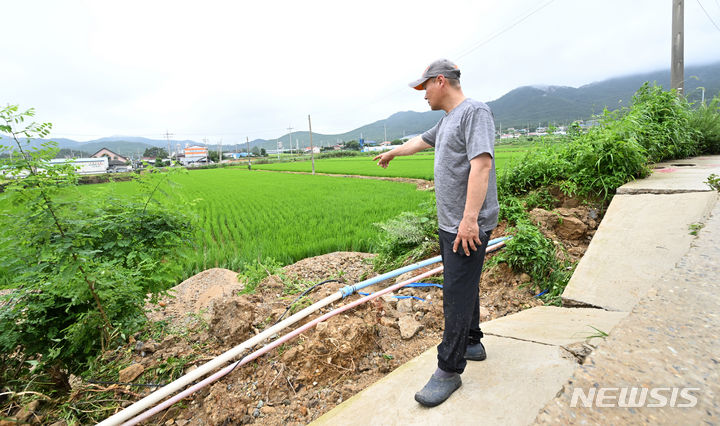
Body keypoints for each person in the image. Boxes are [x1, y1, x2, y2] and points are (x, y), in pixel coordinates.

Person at [374, 59, 498, 407]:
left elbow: (482, 163)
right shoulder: (447, 121)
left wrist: (470, 219)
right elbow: (419, 141)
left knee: (455, 292)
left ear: (440, 81)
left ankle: (449, 369)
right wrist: (392, 153)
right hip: (452, 224)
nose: (423, 94)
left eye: (424, 86)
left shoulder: (475, 112)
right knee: (464, 282)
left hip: (466, 226)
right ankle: (472, 341)